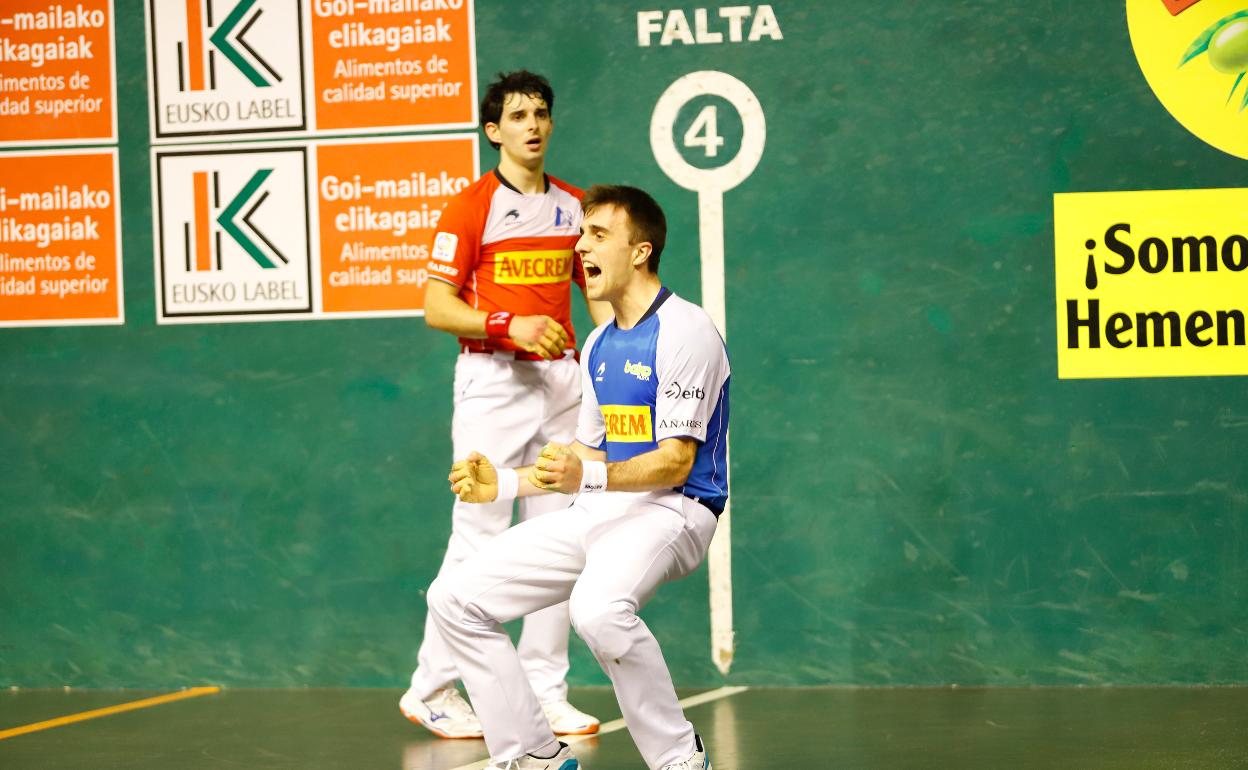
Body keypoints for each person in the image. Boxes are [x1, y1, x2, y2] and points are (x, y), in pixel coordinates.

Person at [427, 185, 729, 770]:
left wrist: (585, 479)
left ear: (639, 252)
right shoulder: (597, 345)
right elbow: (585, 458)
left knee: (596, 608)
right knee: (455, 597)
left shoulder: (685, 330)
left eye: (597, 235)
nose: (580, 244)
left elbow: (675, 462)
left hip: (678, 509)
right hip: (605, 513)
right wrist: (507, 485)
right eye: (580, 231)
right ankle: (534, 755)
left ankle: (677, 759)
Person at [400, 70, 609, 740]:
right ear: (494, 131)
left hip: (562, 383)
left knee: (561, 534)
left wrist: (603, 365)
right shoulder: (470, 207)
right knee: (479, 533)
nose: (533, 125)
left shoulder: (576, 207)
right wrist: (504, 324)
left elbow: (599, 296)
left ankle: (545, 690)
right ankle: (431, 689)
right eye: (518, 116)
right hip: (491, 381)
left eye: (541, 113)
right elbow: (437, 307)